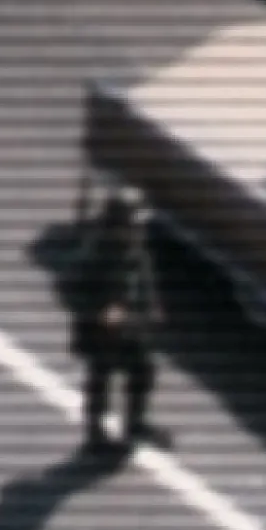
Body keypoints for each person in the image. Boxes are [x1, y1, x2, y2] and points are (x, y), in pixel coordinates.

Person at [64, 189, 165, 453]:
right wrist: (99, 312)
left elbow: (144, 280)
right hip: (101, 333)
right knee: (100, 380)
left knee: (143, 372)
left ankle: (134, 423)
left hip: (131, 327)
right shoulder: (94, 255)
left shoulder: (136, 249)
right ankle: (95, 432)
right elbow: (71, 290)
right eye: (132, 223)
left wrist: (151, 305)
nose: (137, 228)